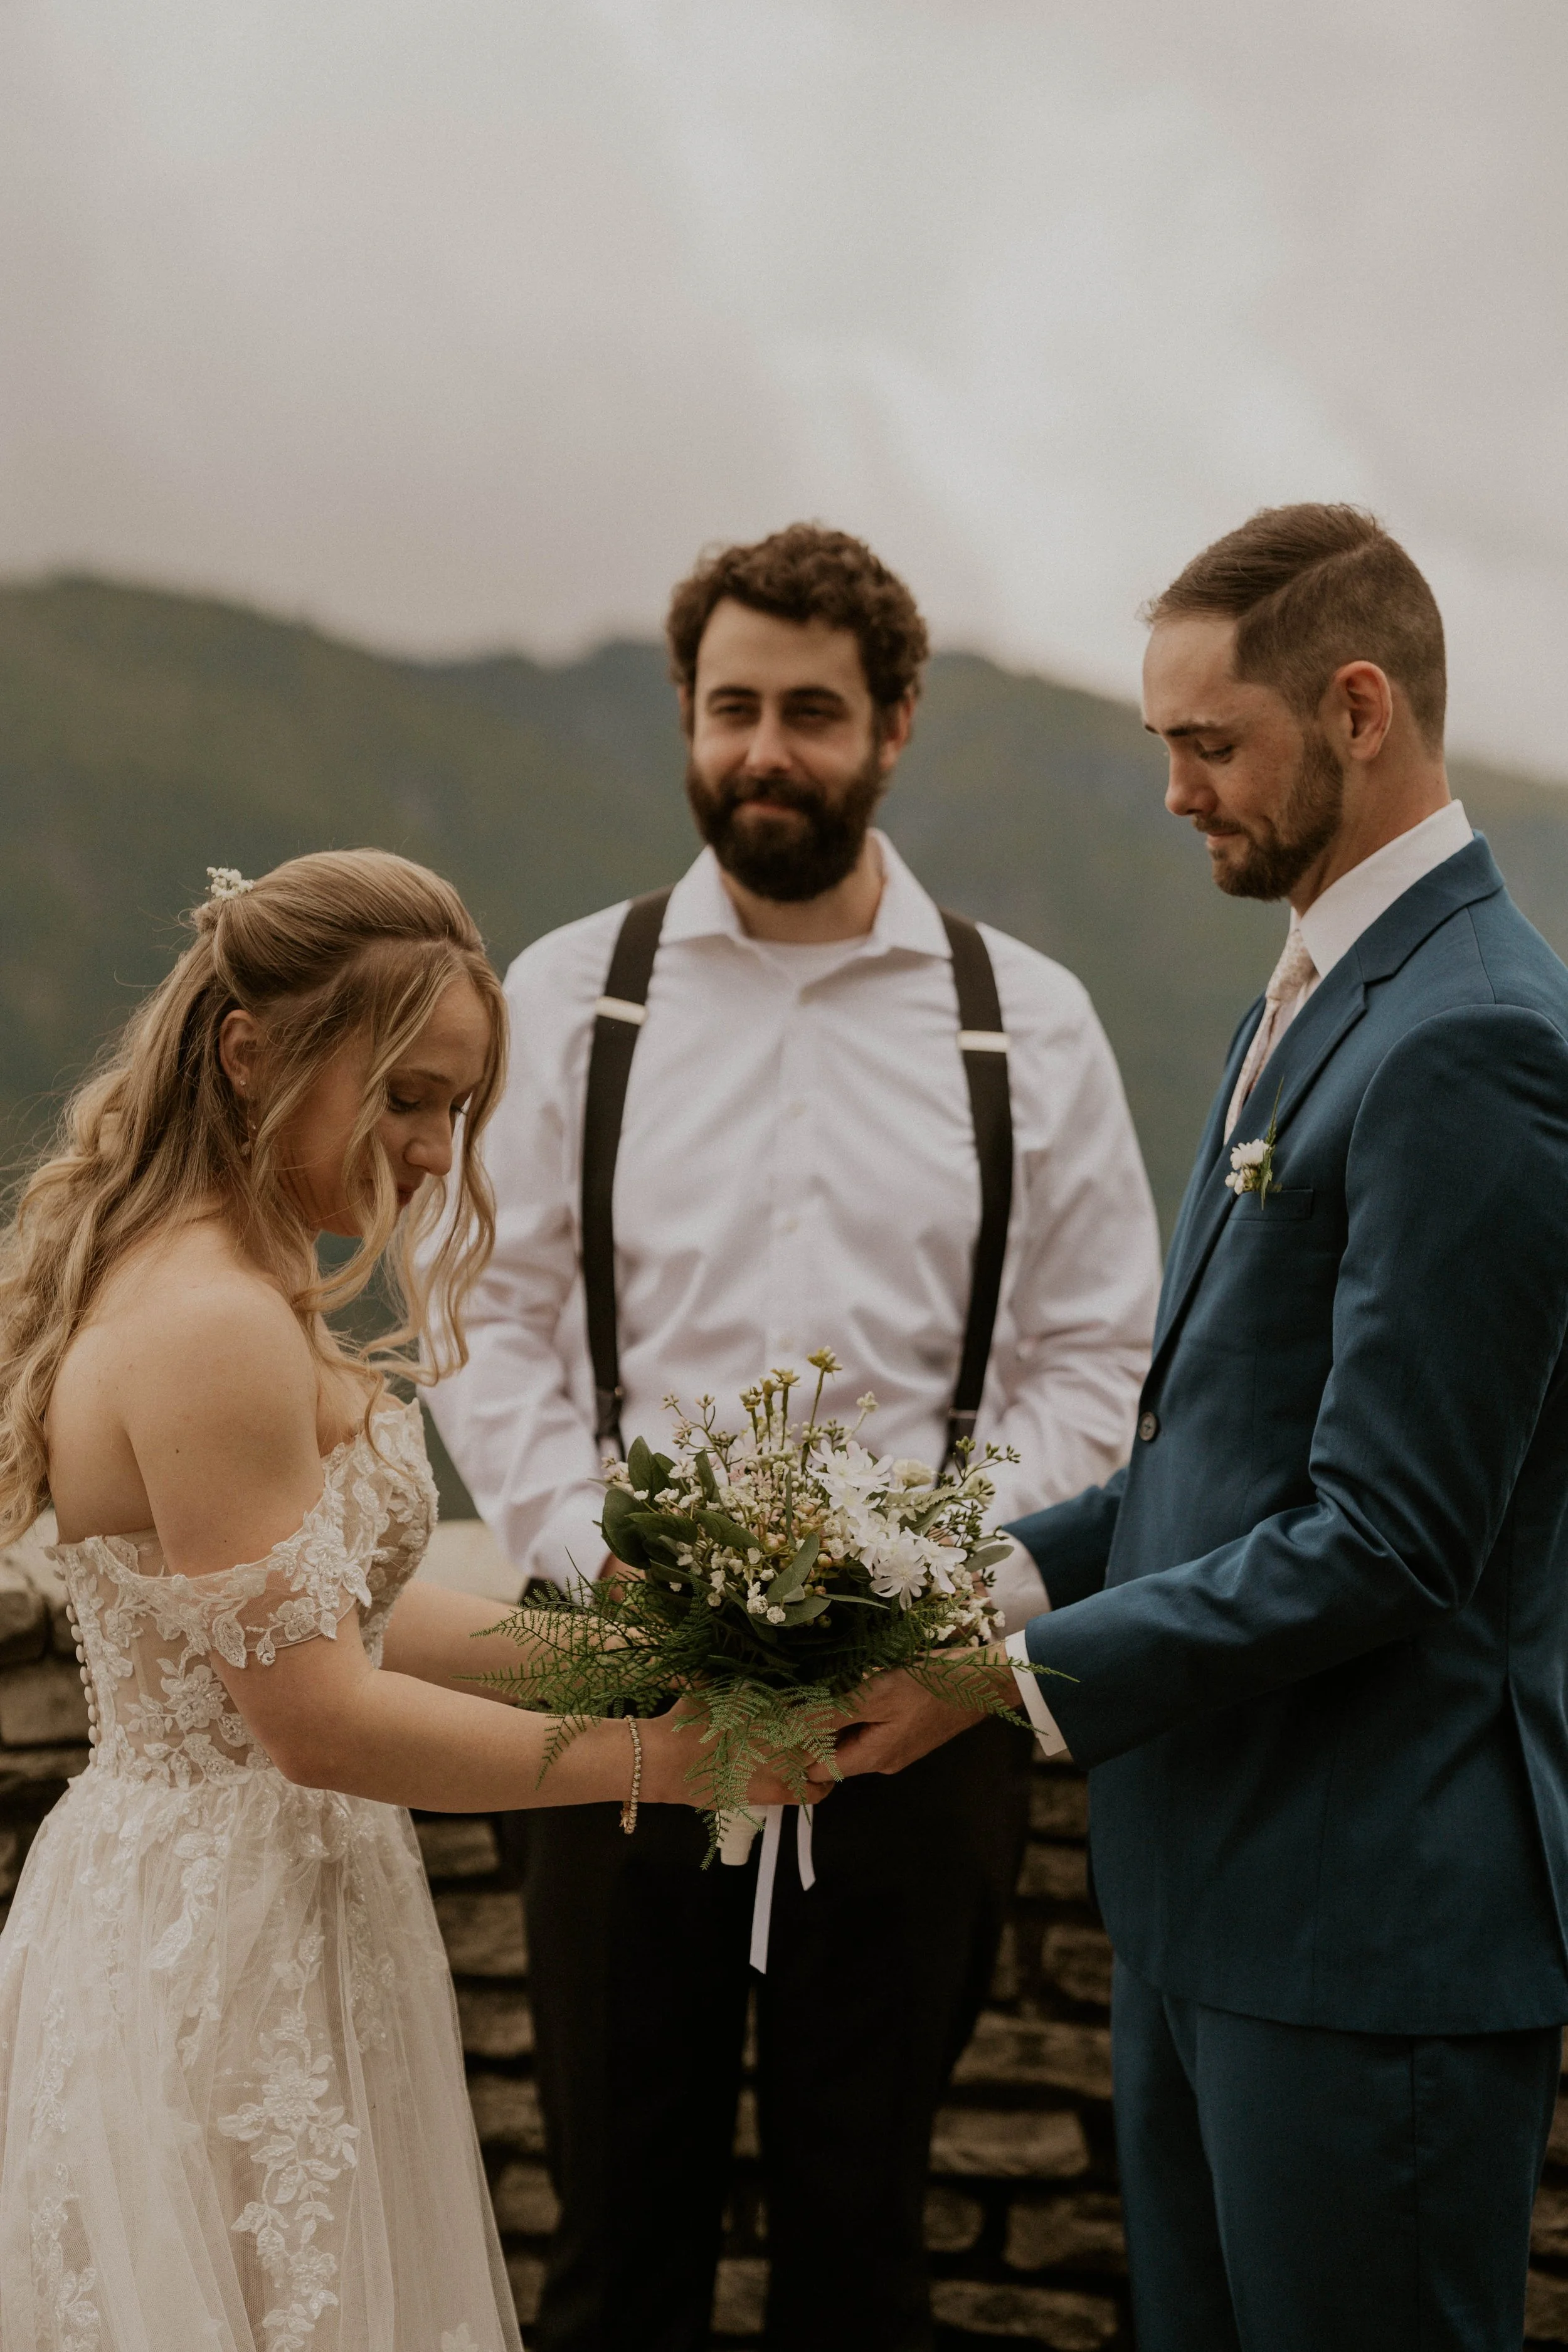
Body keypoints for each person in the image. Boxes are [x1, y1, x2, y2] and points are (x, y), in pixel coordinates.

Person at [827, 504, 1568, 2352]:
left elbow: (1389, 1532)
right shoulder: (1305, 993)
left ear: (1361, 706)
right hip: (1216, 1898)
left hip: (1364, 1926)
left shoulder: (1470, 1037)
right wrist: (982, 1579)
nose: (1171, 790)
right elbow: (1213, 1447)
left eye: (1205, 741)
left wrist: (1005, 1685)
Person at [428, 523, 1162, 2352]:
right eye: (733, 704)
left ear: (892, 725)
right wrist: (590, 1544)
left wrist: (952, 1580)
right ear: (684, 713)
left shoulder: (1028, 1023)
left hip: (914, 1715)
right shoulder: (569, 998)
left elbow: (1094, 1354)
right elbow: (482, 1314)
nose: (767, 747)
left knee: (863, 2238)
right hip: (613, 1689)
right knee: (617, 2241)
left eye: (812, 712)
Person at [0, 849, 800, 2352]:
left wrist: (635, 1655)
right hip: (208, 1947)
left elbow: (359, 1620)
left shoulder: (251, 1284)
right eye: (404, 1096)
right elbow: (316, 1720)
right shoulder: (213, 1324)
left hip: (298, 1912)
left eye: (456, 1107)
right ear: (251, 1054)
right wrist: (673, 1762)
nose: (435, 1150)